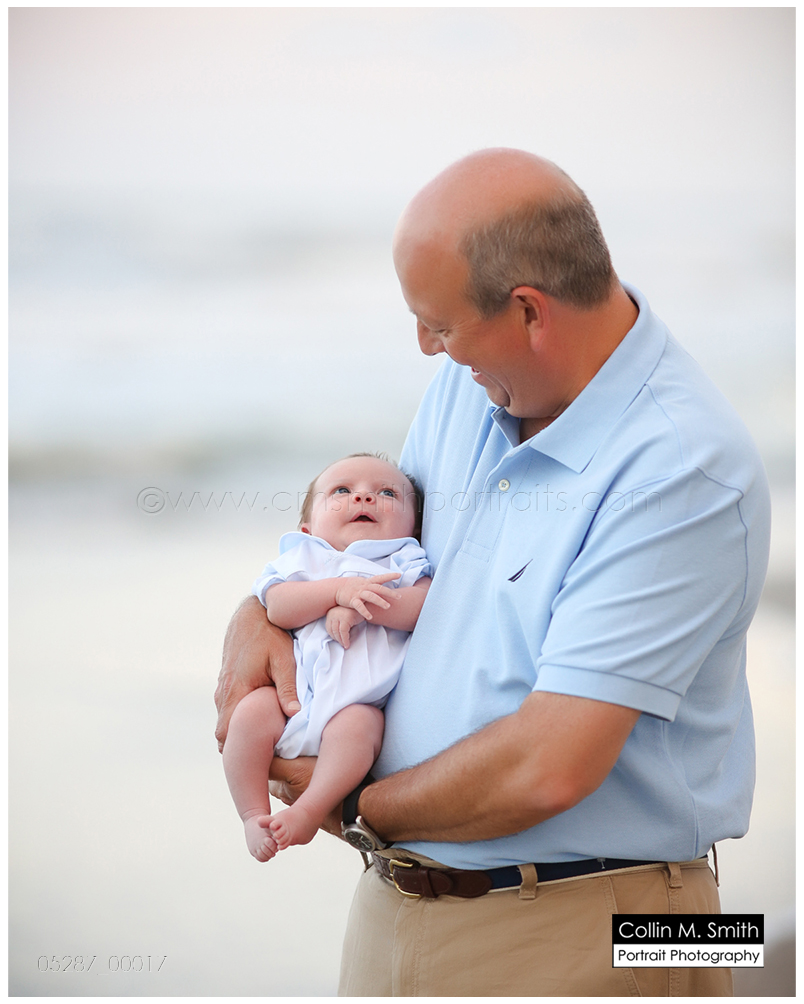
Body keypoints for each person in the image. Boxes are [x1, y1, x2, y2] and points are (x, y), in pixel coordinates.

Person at [215, 149, 770, 996]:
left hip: (610, 922)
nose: (425, 347)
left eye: (438, 323)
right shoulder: (473, 386)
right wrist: (258, 616)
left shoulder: (685, 468)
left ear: (528, 312)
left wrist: (355, 804)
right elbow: (374, 559)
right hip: (398, 899)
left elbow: (550, 764)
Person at [222, 453, 431, 860]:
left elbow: (421, 607)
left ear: (415, 527)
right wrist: (337, 592)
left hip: (356, 705)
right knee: (248, 714)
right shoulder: (304, 558)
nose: (364, 498)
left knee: (360, 728)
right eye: (342, 491)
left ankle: (309, 810)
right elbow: (279, 606)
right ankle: (252, 814)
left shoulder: (404, 559)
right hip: (294, 700)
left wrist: (365, 604)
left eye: (386, 493)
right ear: (309, 526)